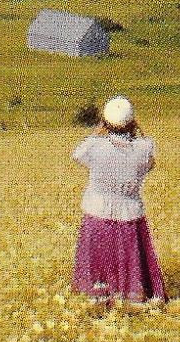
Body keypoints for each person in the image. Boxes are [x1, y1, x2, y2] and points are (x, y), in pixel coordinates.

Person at [71, 96, 167, 311]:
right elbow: (150, 164)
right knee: (129, 256)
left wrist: (98, 131)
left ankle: (99, 294)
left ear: (105, 123)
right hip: (129, 213)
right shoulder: (144, 147)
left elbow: (77, 155)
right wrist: (136, 131)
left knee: (98, 255)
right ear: (132, 121)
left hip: (97, 211)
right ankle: (131, 295)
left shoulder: (95, 147)